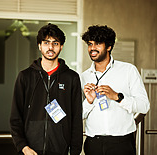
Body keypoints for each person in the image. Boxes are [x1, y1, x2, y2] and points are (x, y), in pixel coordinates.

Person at [10, 23, 83, 155]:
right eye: (46, 43)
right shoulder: (25, 76)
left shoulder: (72, 78)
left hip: (60, 150)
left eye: (55, 43)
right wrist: (23, 147)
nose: (50, 47)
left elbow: (76, 119)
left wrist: (75, 152)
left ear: (61, 47)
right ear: (39, 46)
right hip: (30, 151)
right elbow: (15, 117)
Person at [81, 25, 150, 155]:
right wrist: (88, 102)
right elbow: (78, 115)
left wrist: (118, 97)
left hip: (122, 143)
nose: (92, 48)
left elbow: (144, 106)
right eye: (90, 44)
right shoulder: (83, 77)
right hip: (93, 143)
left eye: (98, 43)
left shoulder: (129, 70)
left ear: (109, 47)